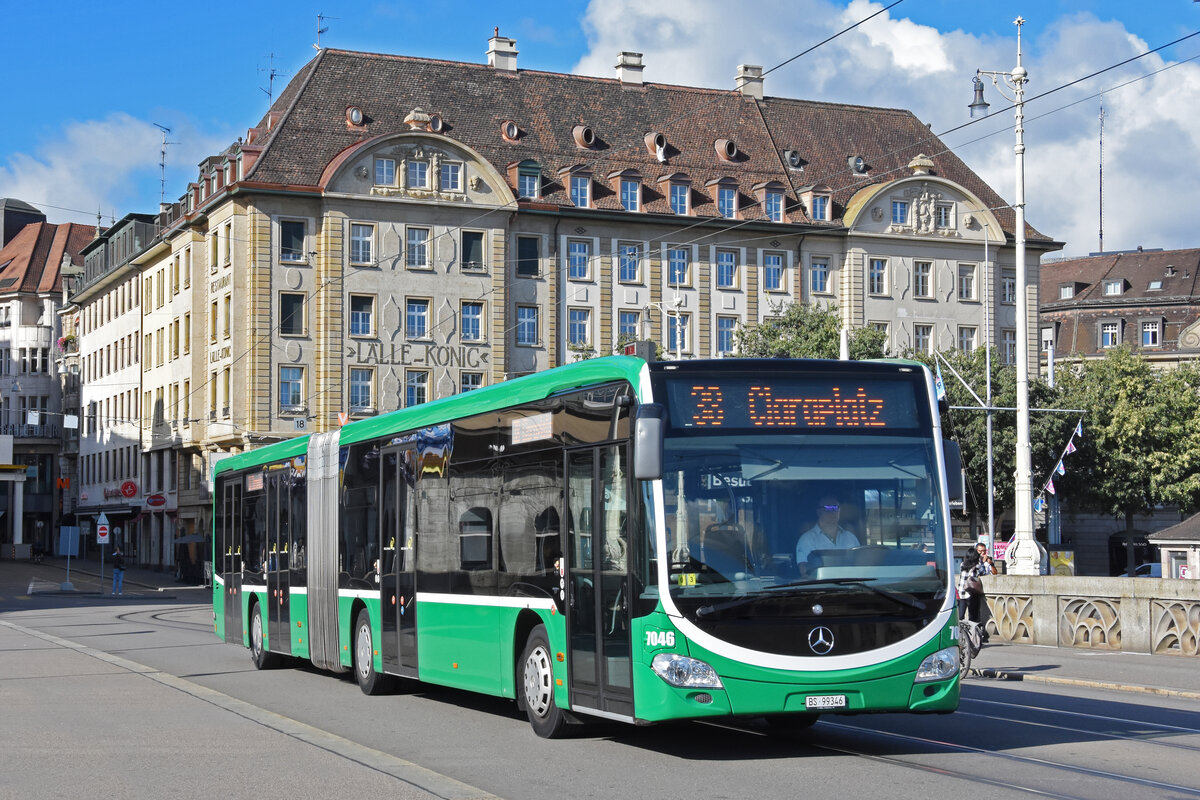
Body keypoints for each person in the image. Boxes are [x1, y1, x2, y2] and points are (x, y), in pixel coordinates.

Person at [795, 496, 859, 566]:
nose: (832, 511)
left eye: (835, 508)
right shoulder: (806, 539)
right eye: (828, 508)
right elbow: (804, 571)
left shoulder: (851, 537)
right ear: (818, 512)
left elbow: (861, 564)